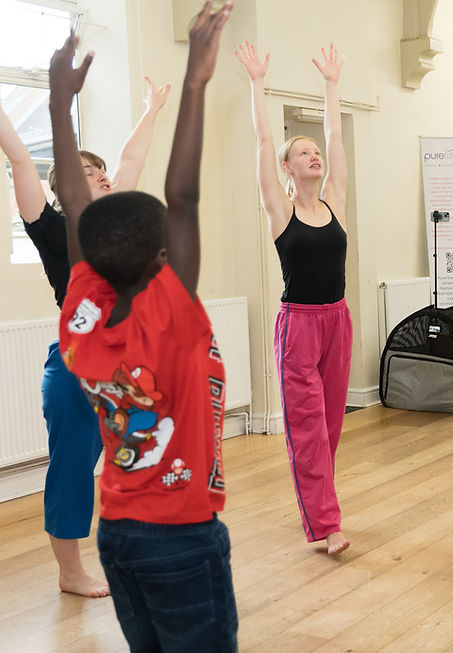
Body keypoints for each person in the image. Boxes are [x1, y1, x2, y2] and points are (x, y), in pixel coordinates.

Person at [50, 0, 236, 649]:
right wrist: (195, 80)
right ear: (164, 258)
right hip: (182, 534)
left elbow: (75, 203)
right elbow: (183, 195)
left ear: (93, 261)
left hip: (120, 532)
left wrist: (58, 107)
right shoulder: (170, 315)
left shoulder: (82, 317)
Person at [0, 69, 169, 598]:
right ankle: (71, 571)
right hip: (76, 366)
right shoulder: (49, 226)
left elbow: (133, 160)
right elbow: (21, 160)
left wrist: (152, 108)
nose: (104, 178)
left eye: (102, 173)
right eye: (90, 173)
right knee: (73, 468)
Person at [235, 39, 353, 554]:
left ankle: (317, 500)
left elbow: (336, 136)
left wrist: (331, 87)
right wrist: (257, 84)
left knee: (329, 426)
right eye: (302, 152)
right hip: (299, 326)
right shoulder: (281, 211)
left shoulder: (335, 202)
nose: (314, 154)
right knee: (308, 430)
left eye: (316, 152)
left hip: (338, 320)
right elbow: (264, 141)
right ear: (288, 168)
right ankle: (326, 524)